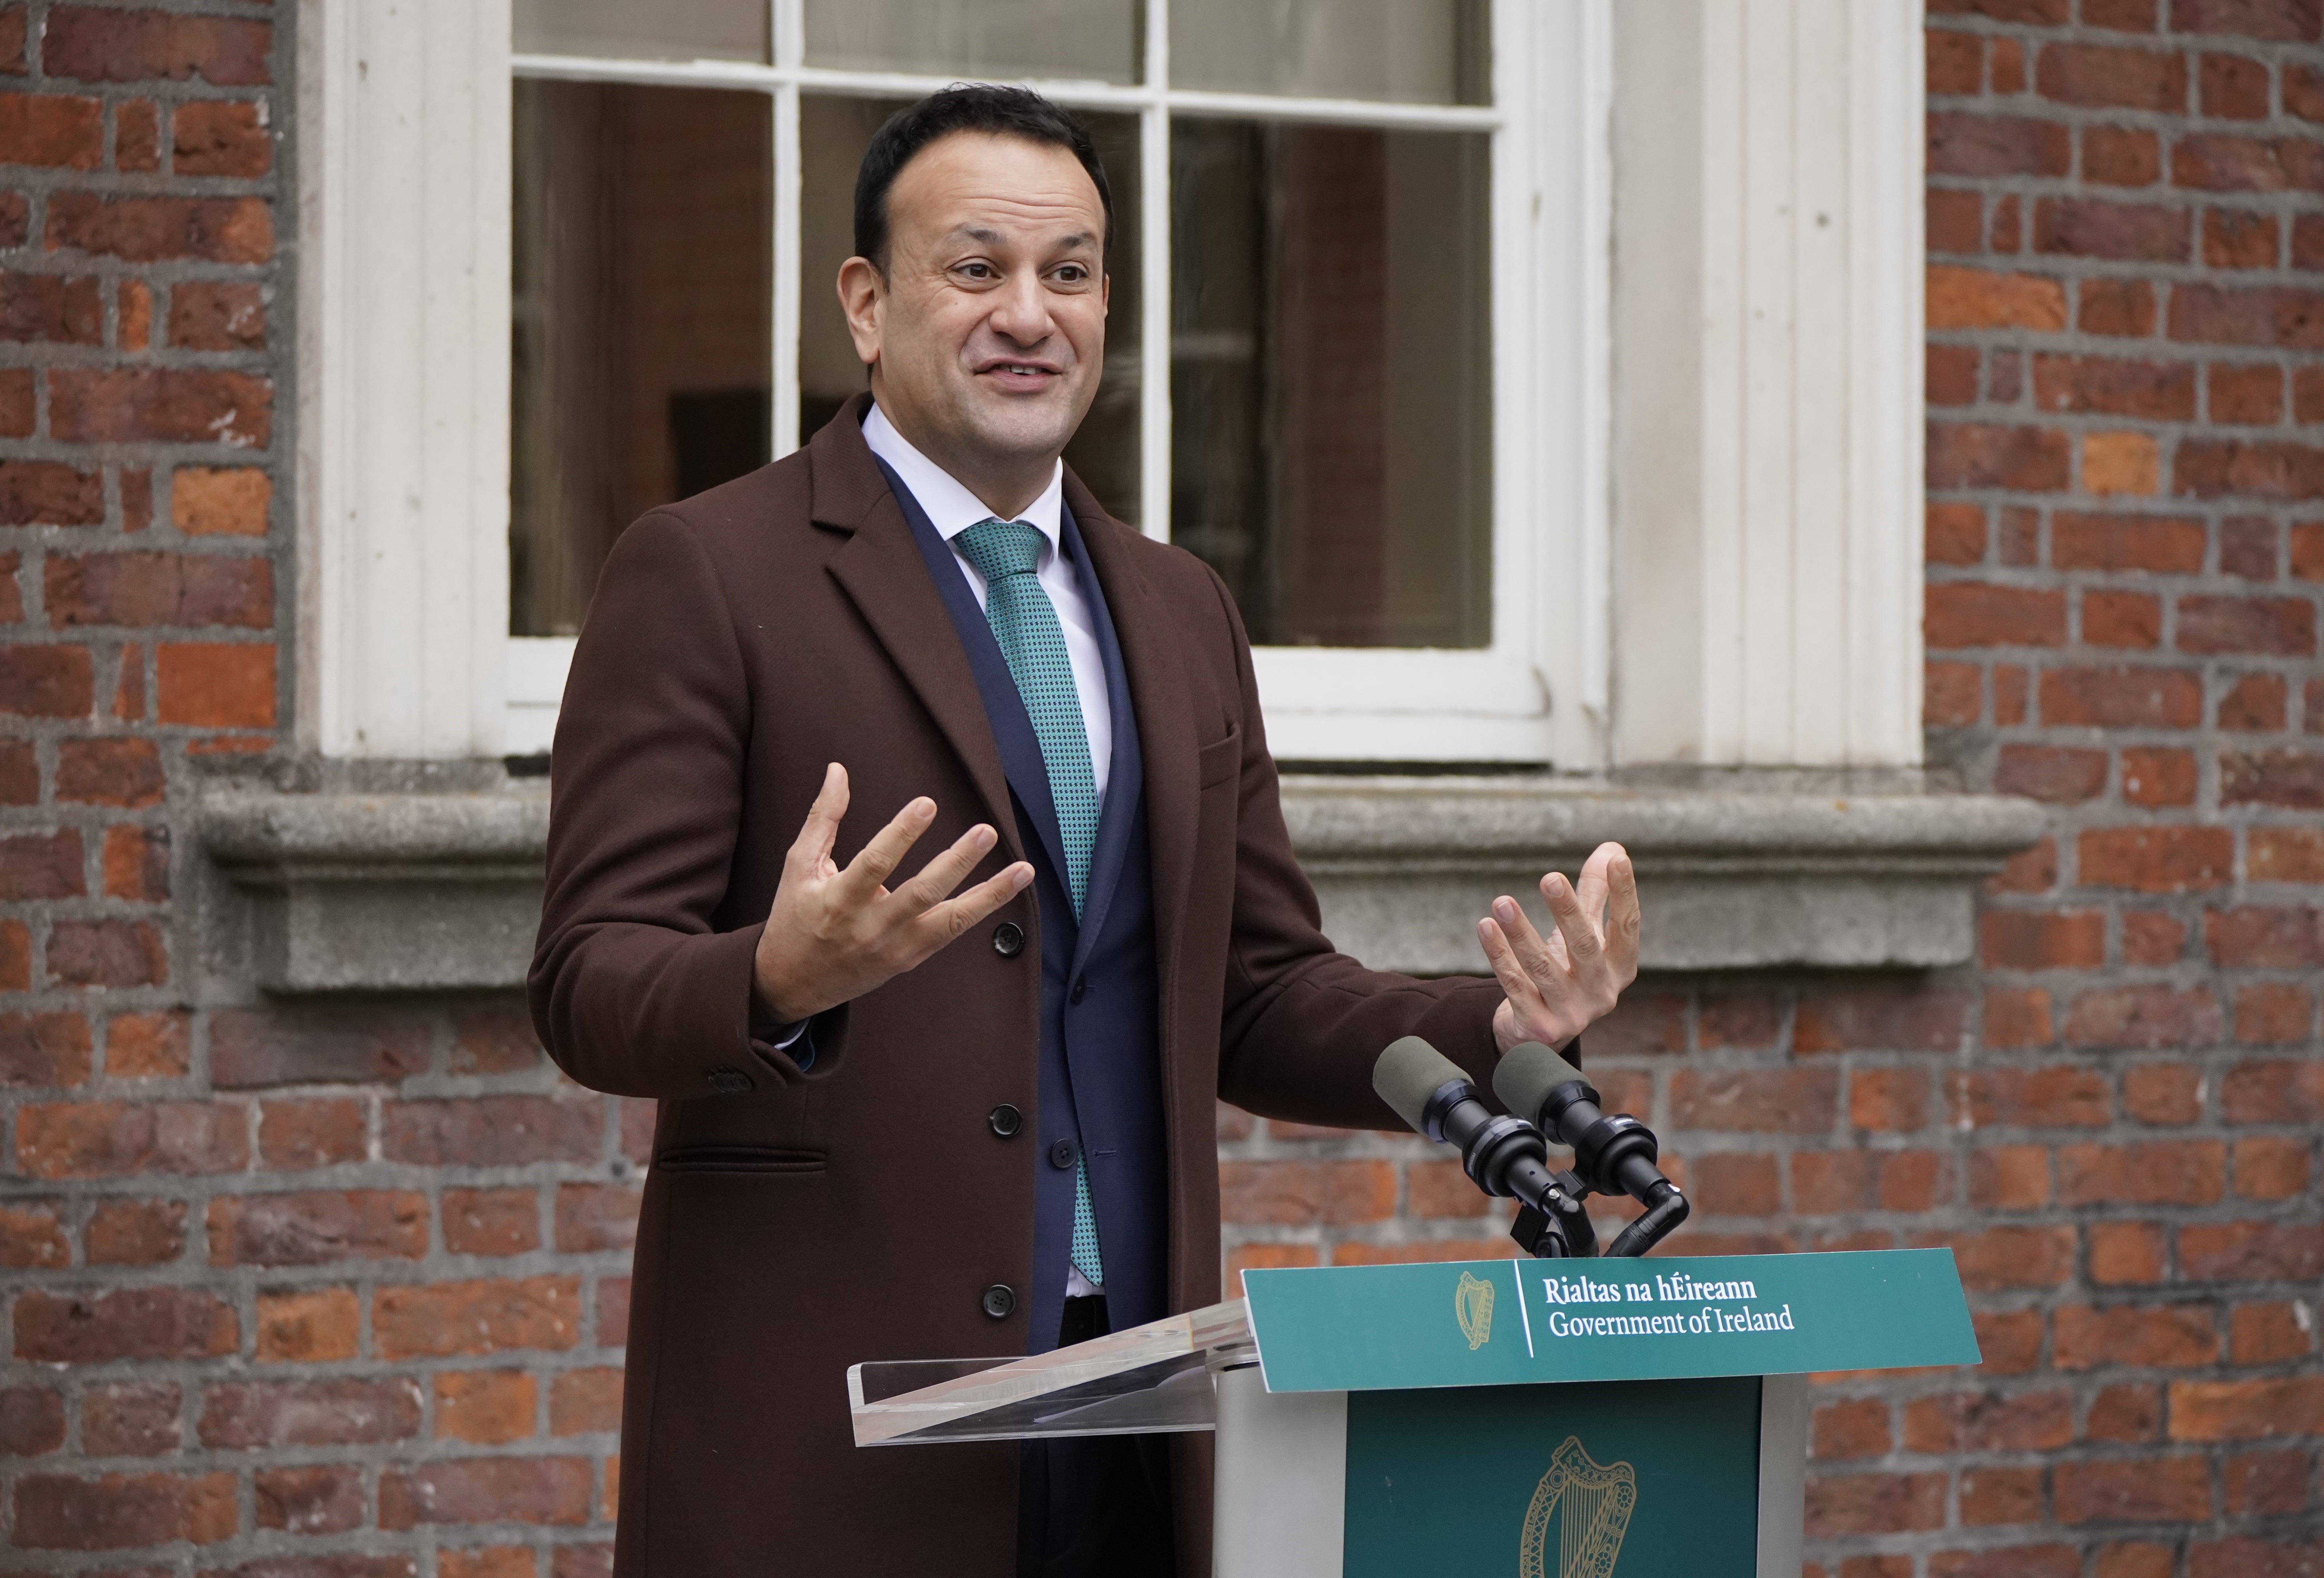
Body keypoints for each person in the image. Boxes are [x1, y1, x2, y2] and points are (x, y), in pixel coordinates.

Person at [531, 84, 1640, 1578]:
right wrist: (775, 979)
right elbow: (589, 984)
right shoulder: (707, 572)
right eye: (974, 268)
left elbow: (1257, 990)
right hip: (834, 1428)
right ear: (866, 304)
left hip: (1142, 1406)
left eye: (1070, 273)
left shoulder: (1180, 607)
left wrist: (1501, 1023)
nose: (1028, 316)